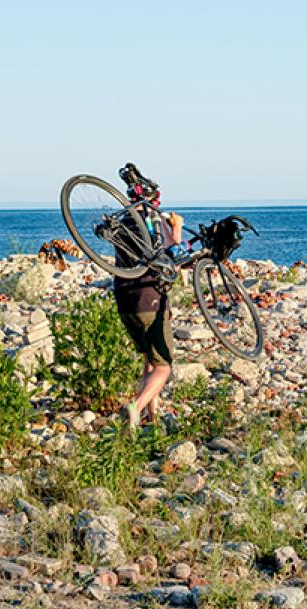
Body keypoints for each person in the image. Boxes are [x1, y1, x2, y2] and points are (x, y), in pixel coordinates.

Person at [114, 163, 181, 427]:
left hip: (124, 299)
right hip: (149, 298)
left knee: (150, 361)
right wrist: (176, 229)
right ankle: (135, 408)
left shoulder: (123, 221)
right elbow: (172, 255)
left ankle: (151, 419)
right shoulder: (153, 220)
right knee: (164, 367)